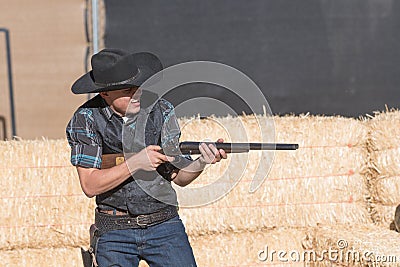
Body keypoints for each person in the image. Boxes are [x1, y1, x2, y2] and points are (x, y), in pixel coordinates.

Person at [66, 48, 227, 267]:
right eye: (127, 89)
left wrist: (202, 161)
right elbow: (90, 185)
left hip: (164, 225)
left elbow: (178, 176)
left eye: (138, 86)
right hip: (114, 230)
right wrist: (135, 163)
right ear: (104, 93)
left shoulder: (162, 110)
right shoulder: (86, 119)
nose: (137, 93)